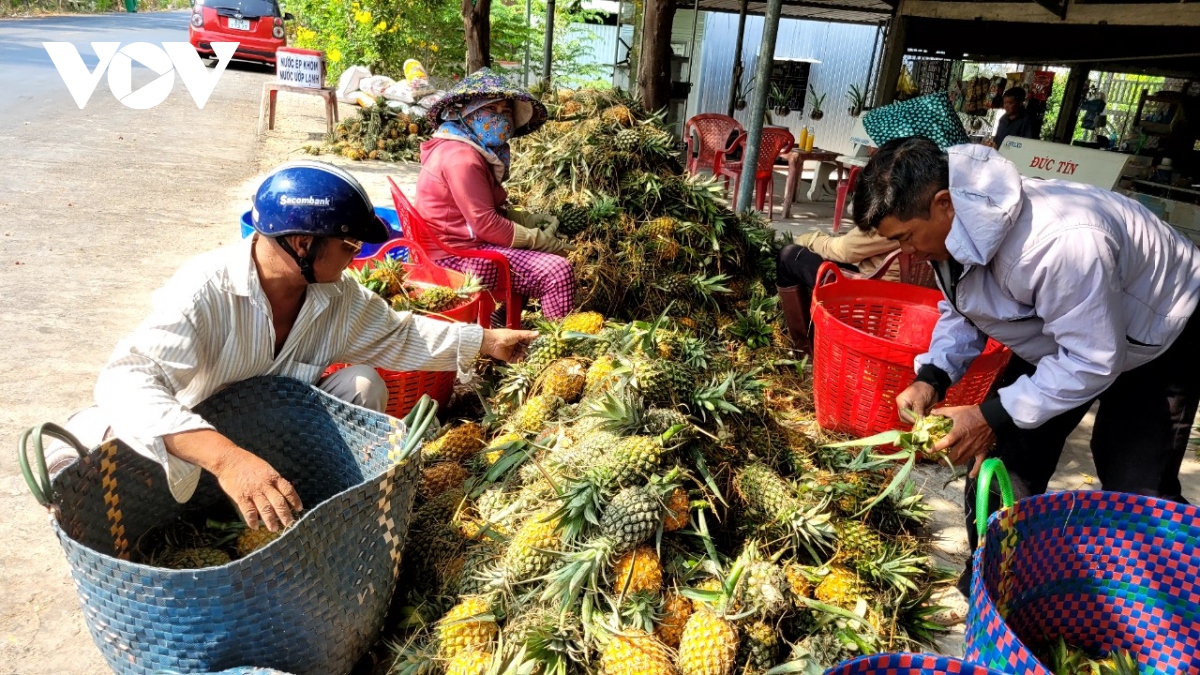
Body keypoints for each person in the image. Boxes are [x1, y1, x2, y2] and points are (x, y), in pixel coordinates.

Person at [57, 161, 536, 533]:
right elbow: (126, 379)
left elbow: (401, 334)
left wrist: (490, 341)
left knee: (362, 383)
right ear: (303, 244)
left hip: (275, 439)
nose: (355, 261)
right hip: (197, 438)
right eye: (349, 248)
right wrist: (228, 460)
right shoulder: (206, 289)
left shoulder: (335, 297)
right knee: (91, 450)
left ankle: (320, 506)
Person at [853, 136, 1200, 596]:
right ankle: (992, 582)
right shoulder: (957, 227)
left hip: (1159, 330)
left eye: (905, 239)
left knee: (1135, 485)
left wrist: (987, 414)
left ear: (942, 204)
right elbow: (966, 308)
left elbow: (1094, 359)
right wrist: (932, 376)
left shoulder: (1058, 244)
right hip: (1066, 331)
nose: (906, 254)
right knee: (1003, 464)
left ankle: (1168, 610)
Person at [417, 69, 576, 320]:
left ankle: (500, 319)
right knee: (556, 271)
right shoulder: (461, 158)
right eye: (494, 111)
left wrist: (525, 221)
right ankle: (558, 347)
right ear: (469, 114)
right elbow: (486, 225)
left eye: (507, 113)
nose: (504, 120)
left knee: (529, 256)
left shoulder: (457, 147)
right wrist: (542, 241)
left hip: (453, 246)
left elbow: (480, 213)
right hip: (455, 258)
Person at [776, 228, 900, 350]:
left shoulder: (893, 217)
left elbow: (845, 250)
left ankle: (805, 348)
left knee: (788, 257)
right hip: (900, 287)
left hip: (875, 292)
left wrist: (810, 239)